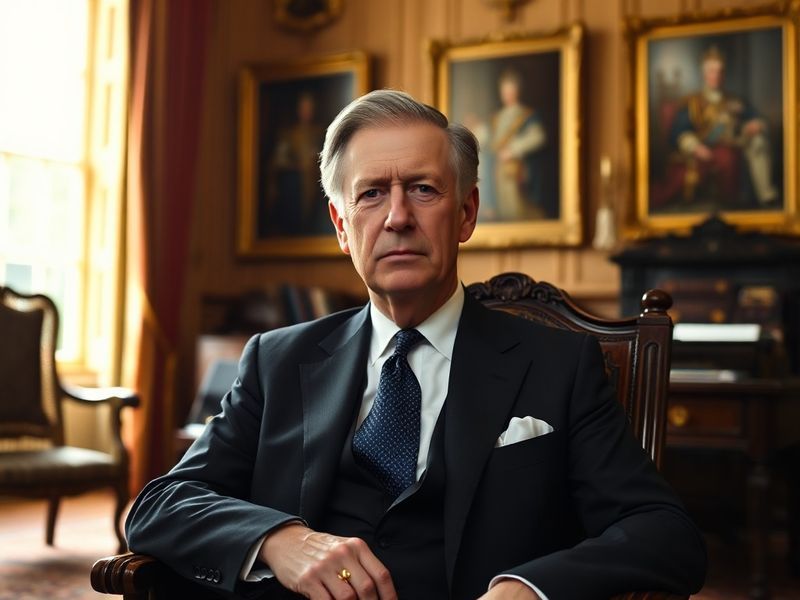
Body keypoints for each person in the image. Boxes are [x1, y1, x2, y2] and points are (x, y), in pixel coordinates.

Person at [126, 89, 706, 599]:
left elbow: (664, 532)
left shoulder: (559, 364)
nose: (398, 216)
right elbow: (159, 507)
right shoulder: (277, 360)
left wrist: (528, 589)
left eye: (423, 190)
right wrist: (281, 540)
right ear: (340, 225)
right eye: (372, 193)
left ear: (466, 213)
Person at [655, 45, 778, 209]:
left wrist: (756, 124)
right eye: (712, 71)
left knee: (758, 141)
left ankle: (765, 195)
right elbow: (677, 132)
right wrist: (695, 146)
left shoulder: (733, 100)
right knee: (727, 158)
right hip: (705, 148)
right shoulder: (692, 102)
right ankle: (729, 205)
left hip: (737, 143)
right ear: (704, 74)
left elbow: (757, 117)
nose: (716, 76)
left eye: (720, 72)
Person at [467, 68, 549, 221]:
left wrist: (513, 150)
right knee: (503, 210)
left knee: (516, 208)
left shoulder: (525, 115)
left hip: (515, 169)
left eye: (510, 90)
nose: (507, 95)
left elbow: (538, 136)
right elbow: (487, 136)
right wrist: (474, 129)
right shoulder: (497, 117)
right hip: (498, 170)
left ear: (517, 91)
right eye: (505, 91)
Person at [265, 91, 327, 235]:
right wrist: (298, 164)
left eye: (309, 108)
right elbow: (279, 161)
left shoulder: (319, 133)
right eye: (303, 108)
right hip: (295, 185)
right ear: (298, 109)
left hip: (316, 182)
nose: (307, 111)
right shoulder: (289, 134)